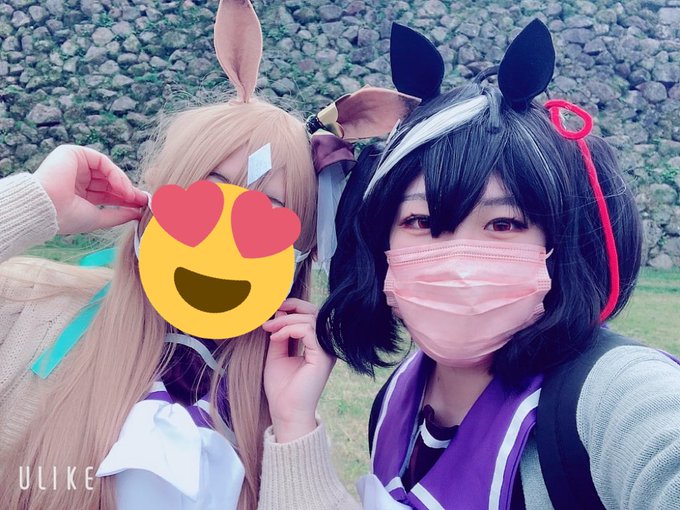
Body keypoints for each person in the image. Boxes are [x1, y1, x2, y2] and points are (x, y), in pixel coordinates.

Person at [259, 19, 680, 510]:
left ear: (559, 242)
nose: (458, 262)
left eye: (503, 223)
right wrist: (294, 423)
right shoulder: (398, 401)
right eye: (419, 221)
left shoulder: (614, 398)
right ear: (378, 243)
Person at [0, 1, 318, 509]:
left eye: (267, 217)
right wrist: (32, 205)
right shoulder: (28, 308)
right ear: (156, 197)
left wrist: (295, 428)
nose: (223, 243)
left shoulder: (277, 408)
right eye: (207, 195)